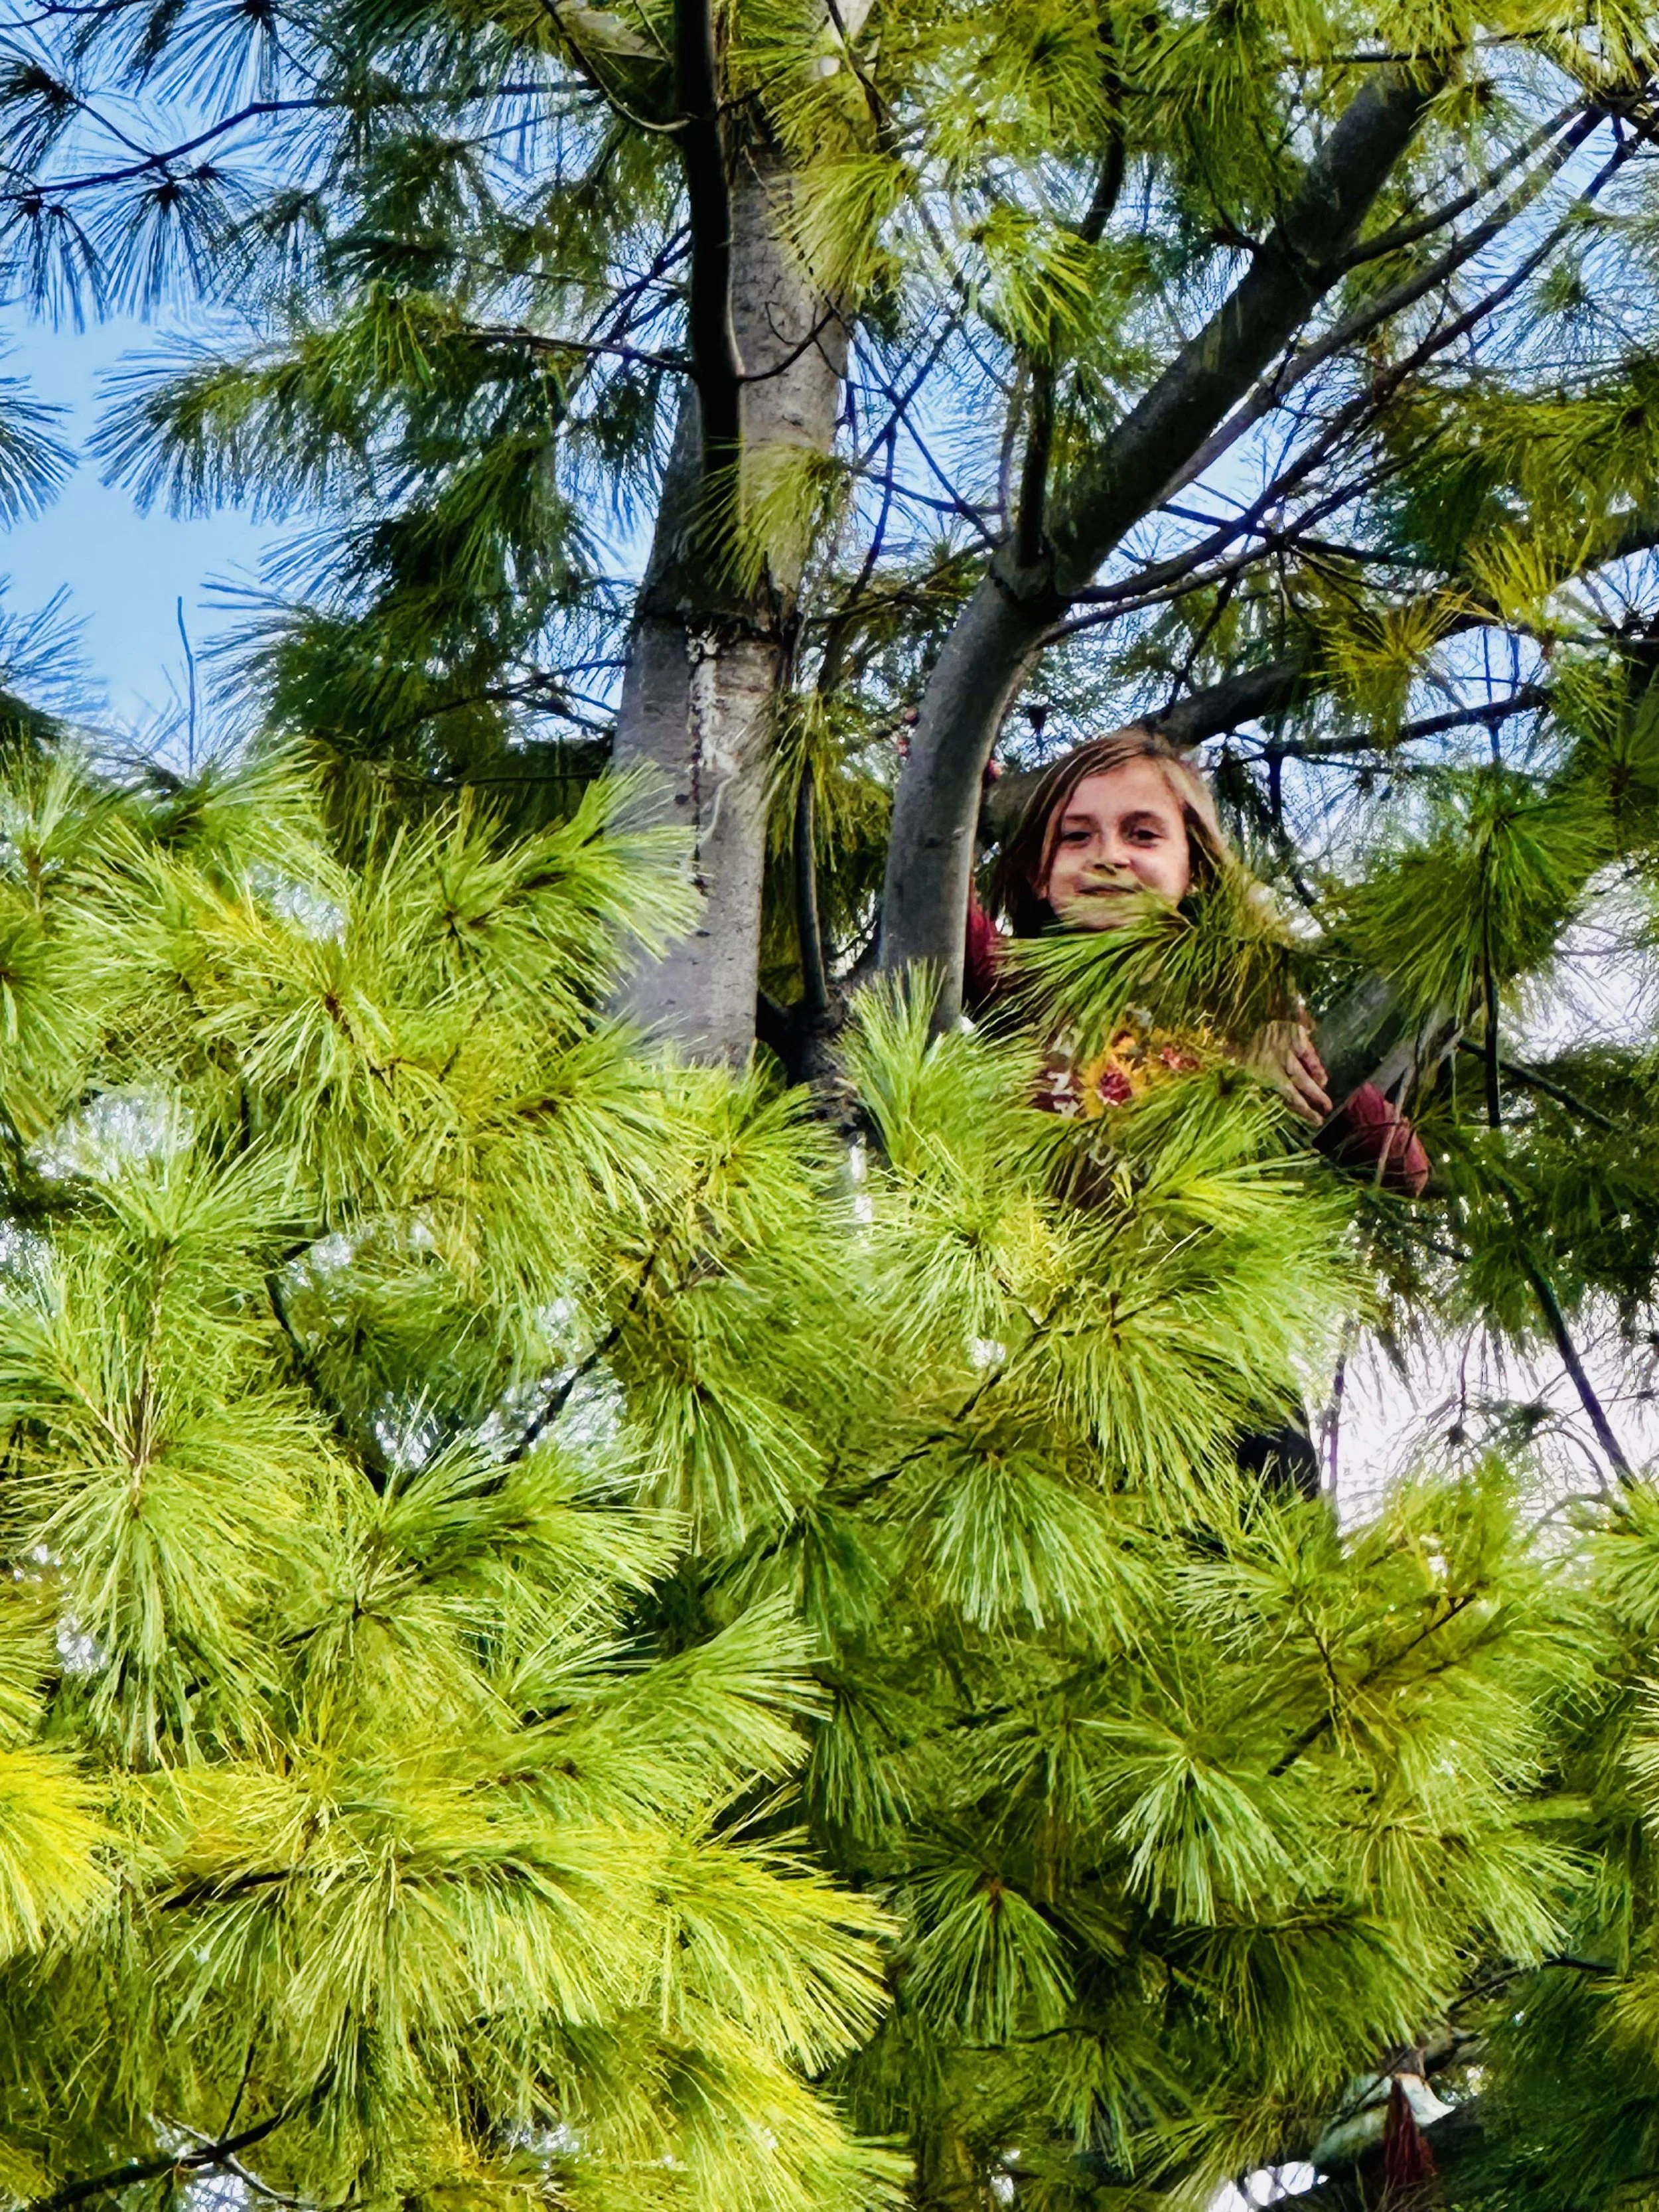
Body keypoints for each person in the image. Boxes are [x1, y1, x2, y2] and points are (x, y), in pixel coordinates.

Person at [964, 726, 1429, 1497]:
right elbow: (938, 911)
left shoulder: (1247, 1015)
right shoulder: (1021, 988)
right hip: (1059, 1359)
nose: (1108, 854)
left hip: (1223, 1365)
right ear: (1039, 876)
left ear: (1195, 869)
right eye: (1075, 837)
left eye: (1142, 833)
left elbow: (1400, 1168)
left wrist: (1297, 1036)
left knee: (1250, 1581)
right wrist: (952, 791)